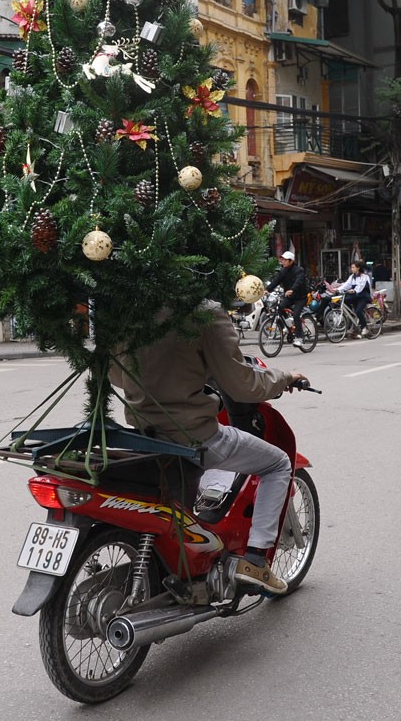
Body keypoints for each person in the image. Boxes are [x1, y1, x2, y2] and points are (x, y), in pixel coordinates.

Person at [109, 300, 308, 595]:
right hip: (193, 436)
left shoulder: (130, 306)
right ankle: (255, 561)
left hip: (144, 433)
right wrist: (285, 377)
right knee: (278, 463)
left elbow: (117, 374)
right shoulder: (203, 311)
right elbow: (242, 383)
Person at [266, 251, 308, 347]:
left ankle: (299, 337)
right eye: (282, 259)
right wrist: (267, 289)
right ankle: (286, 326)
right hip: (289, 297)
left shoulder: (299, 270)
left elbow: (299, 281)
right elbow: (276, 280)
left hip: (300, 297)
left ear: (291, 261)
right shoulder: (283, 271)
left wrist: (292, 290)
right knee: (279, 308)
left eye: (285, 260)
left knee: (296, 315)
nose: (283, 261)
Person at [337, 260, 372, 337]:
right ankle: (353, 320)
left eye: (353, 267)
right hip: (355, 296)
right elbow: (346, 284)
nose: (351, 269)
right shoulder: (352, 277)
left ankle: (364, 327)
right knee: (344, 300)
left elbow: (361, 287)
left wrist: (354, 290)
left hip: (363, 297)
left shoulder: (364, 277)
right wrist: (338, 289)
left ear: (358, 268)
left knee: (358, 311)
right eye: (351, 267)